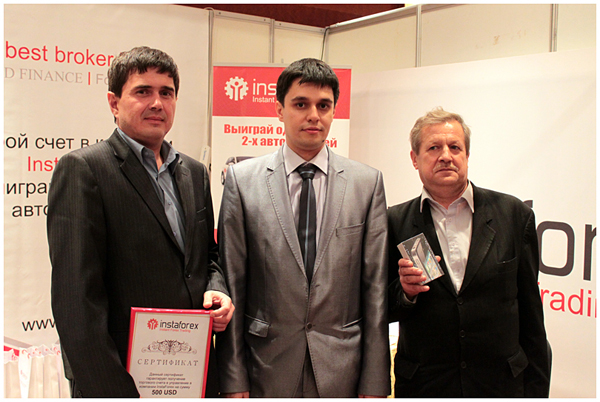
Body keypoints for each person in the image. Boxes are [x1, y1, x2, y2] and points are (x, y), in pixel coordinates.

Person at [47, 46, 234, 398]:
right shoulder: (84, 170)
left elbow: (207, 256)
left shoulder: (194, 173)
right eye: (143, 91)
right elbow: (76, 301)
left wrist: (217, 288)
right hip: (118, 379)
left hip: (191, 375)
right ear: (114, 103)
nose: (157, 103)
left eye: (167, 93)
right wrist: (112, 390)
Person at [216, 58, 390, 397]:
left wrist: (375, 383)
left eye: (323, 105)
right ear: (279, 110)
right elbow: (233, 282)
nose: (314, 115)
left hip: (343, 370)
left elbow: (375, 291)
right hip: (265, 367)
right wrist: (233, 380)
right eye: (301, 104)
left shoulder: (367, 184)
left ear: (334, 111)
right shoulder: (242, 181)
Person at [387, 107, 550, 397]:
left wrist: (537, 392)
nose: (445, 156)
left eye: (455, 147)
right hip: (425, 386)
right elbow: (380, 308)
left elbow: (532, 317)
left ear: (467, 155)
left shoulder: (514, 215)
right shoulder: (394, 222)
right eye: (434, 148)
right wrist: (406, 293)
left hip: (500, 386)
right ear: (414, 158)